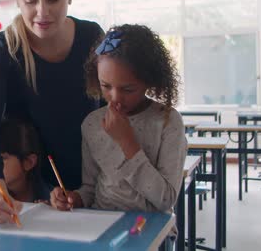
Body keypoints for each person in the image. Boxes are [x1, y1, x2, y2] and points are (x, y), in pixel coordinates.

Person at [0, 0, 104, 224]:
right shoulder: (6, 47)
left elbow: (110, 108)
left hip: (91, 184)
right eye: (31, 1)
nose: (43, 12)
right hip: (35, 191)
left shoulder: (92, 37)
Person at [50, 24, 187, 215]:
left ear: (149, 80)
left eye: (128, 89)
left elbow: (165, 200)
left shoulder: (167, 122)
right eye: (106, 86)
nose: (115, 98)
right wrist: (74, 198)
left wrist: (127, 142)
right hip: (102, 222)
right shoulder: (92, 124)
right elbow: (90, 189)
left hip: (151, 228)